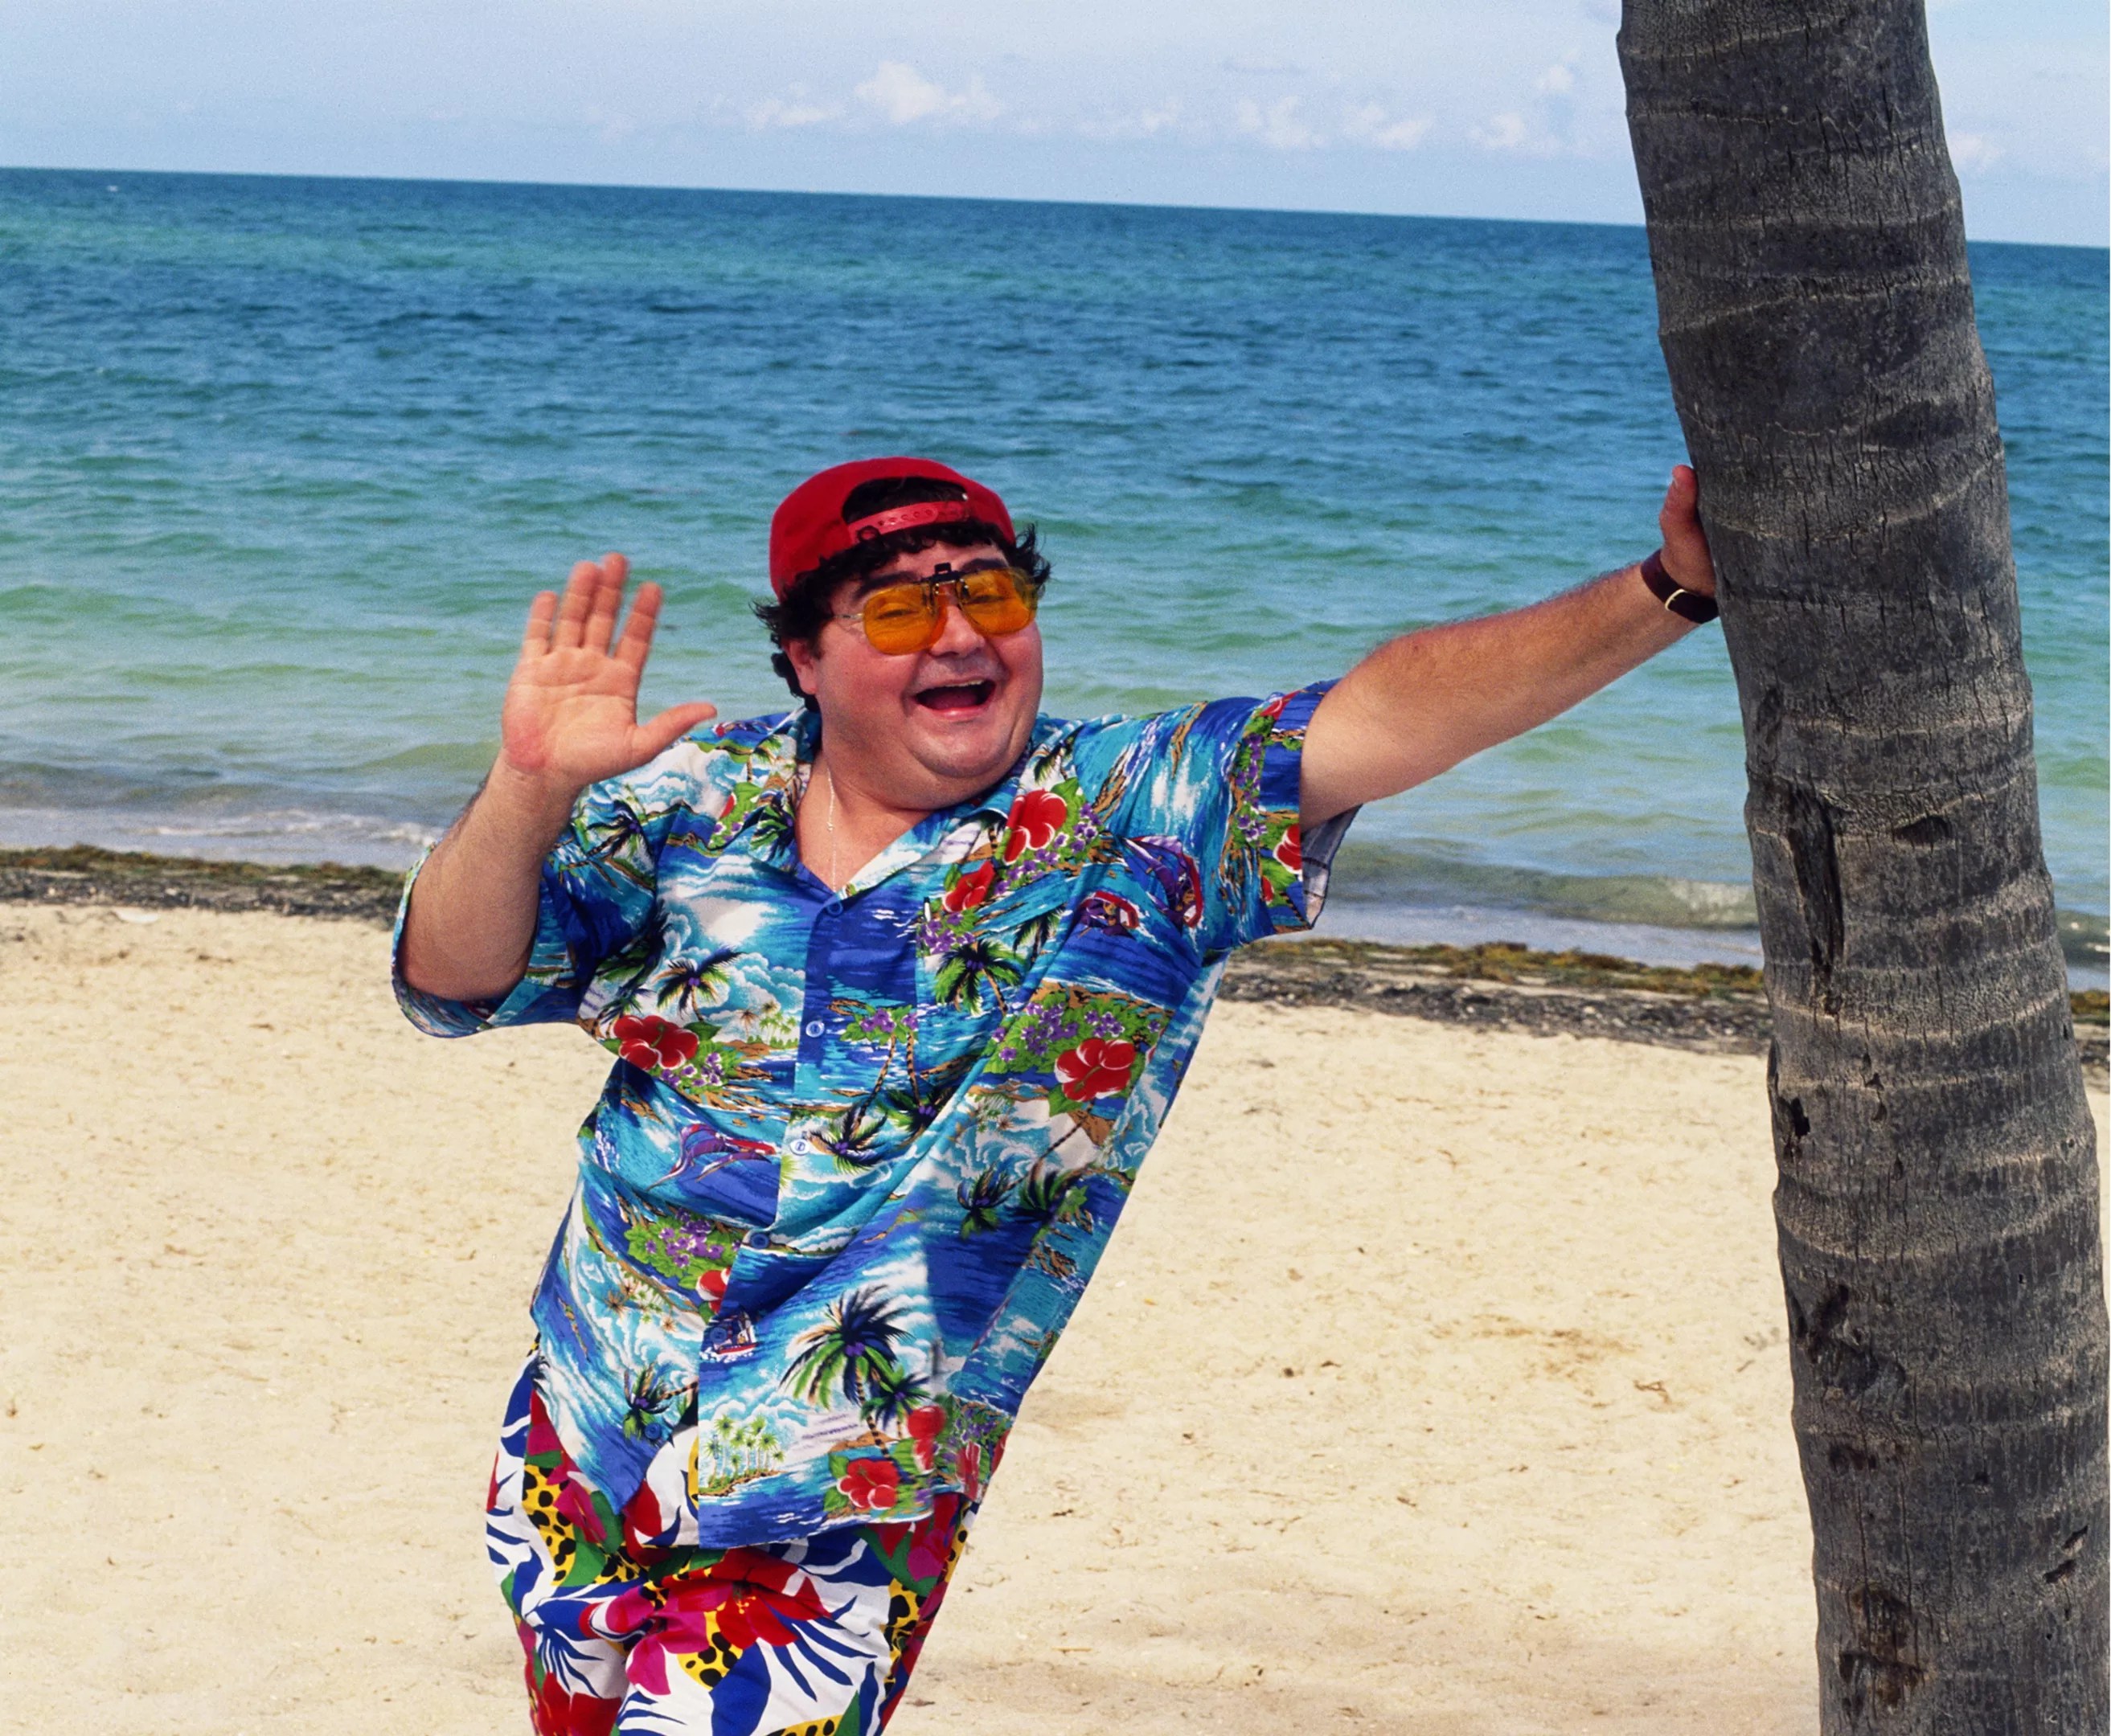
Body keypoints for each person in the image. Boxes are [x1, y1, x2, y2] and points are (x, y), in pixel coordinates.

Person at [396, 456, 1719, 1734]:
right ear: (803, 657)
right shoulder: (690, 800)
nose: (960, 634)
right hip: (586, 1408)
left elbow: (1383, 718)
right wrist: (529, 787)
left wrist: (1665, 587)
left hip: (838, 1473)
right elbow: (451, 979)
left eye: (990, 592)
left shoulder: (1128, 813)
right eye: (899, 610)